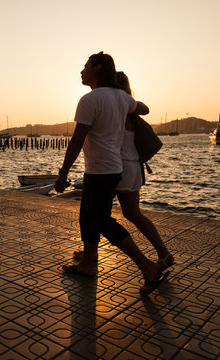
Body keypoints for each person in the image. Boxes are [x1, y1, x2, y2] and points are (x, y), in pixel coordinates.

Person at [55, 51, 168, 294]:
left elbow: (77, 140)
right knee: (87, 217)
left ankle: (147, 267)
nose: (81, 71)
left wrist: (63, 172)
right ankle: (87, 263)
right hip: (110, 169)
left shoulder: (89, 100)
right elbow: (143, 107)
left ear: (97, 69)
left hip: (101, 171)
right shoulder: (122, 98)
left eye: (86, 66)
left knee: (101, 220)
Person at [73, 72, 174, 271]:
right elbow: (144, 108)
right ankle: (164, 253)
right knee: (131, 213)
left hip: (116, 167)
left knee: (95, 214)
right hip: (133, 165)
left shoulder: (117, 106)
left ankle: (93, 257)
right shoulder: (128, 107)